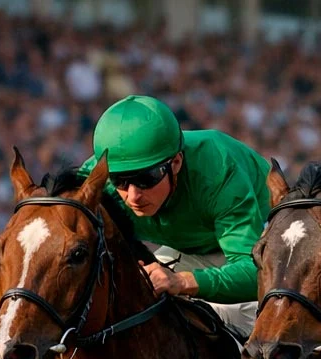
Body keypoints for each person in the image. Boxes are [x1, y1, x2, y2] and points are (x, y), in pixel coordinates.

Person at [82, 95, 271, 337]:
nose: (133, 196)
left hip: (258, 247)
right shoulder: (96, 178)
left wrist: (182, 282)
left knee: (253, 337)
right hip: (188, 248)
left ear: (177, 162)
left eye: (146, 178)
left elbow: (255, 272)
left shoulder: (218, 170)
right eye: (120, 180)